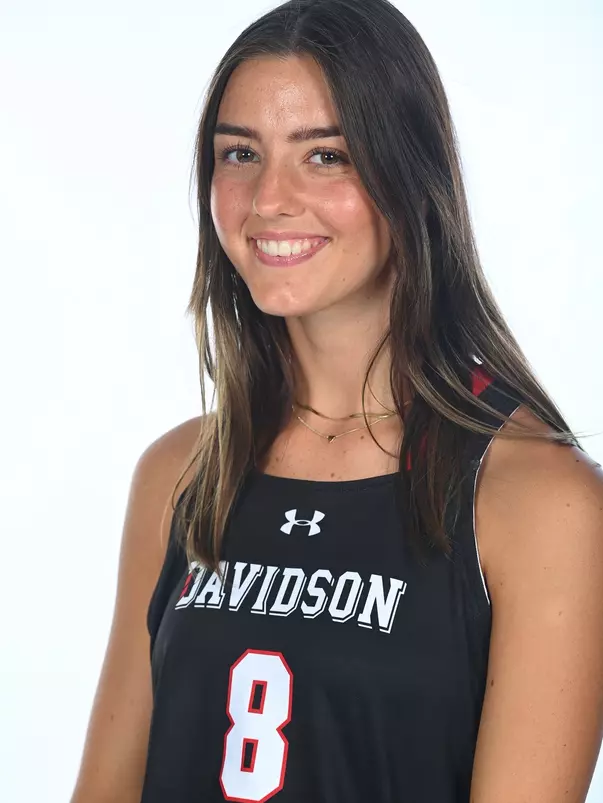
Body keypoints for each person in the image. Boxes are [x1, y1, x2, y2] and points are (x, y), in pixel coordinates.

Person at [70, 1, 603, 801]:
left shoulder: (538, 500)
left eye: (325, 155)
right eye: (239, 153)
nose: (268, 198)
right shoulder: (181, 473)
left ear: (408, 173)